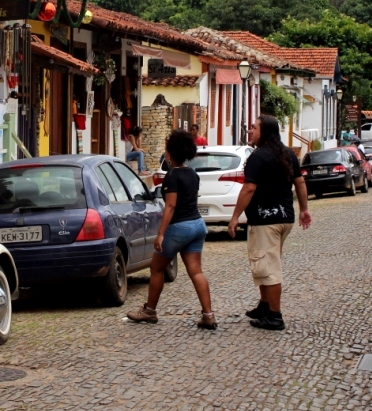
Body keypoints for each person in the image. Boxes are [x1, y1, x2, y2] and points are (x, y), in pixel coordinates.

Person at [227, 115, 312, 331]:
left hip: (265, 220)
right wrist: (303, 209)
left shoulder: (258, 157)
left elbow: (248, 188)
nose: (251, 132)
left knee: (269, 267)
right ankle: (264, 306)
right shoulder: (287, 154)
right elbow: (300, 183)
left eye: (254, 128)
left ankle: (275, 315)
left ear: (264, 132)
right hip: (285, 218)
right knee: (264, 263)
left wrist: (235, 216)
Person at [127, 130, 215, 329]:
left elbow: (171, 206)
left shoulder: (172, 177)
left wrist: (160, 234)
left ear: (170, 154)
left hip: (179, 227)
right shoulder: (193, 174)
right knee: (196, 271)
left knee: (157, 268)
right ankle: (208, 314)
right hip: (197, 225)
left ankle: (149, 311)